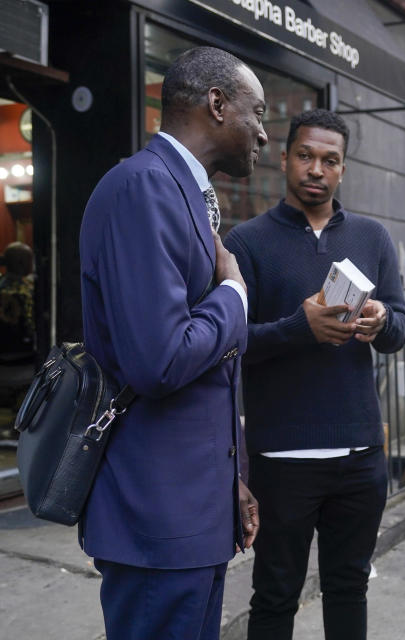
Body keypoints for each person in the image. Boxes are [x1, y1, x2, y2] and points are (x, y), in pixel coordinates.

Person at [78, 46, 266, 639]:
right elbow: (159, 360)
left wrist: (228, 481)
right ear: (216, 104)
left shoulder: (184, 190)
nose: (263, 132)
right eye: (256, 112)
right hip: (156, 522)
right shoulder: (144, 187)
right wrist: (234, 295)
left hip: (193, 513)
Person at [224, 108, 405, 640]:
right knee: (276, 595)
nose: (316, 169)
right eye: (305, 156)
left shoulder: (372, 237)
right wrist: (298, 328)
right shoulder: (247, 243)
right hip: (282, 458)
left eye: (330, 160)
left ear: (343, 171)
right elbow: (232, 346)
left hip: (359, 456)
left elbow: (400, 329)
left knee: (349, 589)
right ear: (284, 159)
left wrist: (381, 320)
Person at [0, 242, 35, 358]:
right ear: (21, 263)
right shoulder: (23, 292)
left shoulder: (3, 284)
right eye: (30, 259)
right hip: (20, 353)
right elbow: (30, 328)